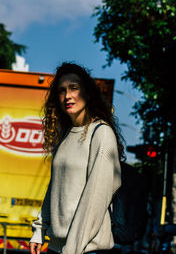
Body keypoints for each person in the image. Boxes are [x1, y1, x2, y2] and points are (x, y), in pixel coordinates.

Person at [29, 62, 124, 254]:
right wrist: (40, 229)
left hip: (86, 249)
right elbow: (54, 188)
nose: (67, 96)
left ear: (87, 93)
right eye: (62, 91)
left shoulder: (101, 134)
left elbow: (95, 199)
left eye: (74, 88)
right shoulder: (66, 135)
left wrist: (73, 248)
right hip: (58, 248)